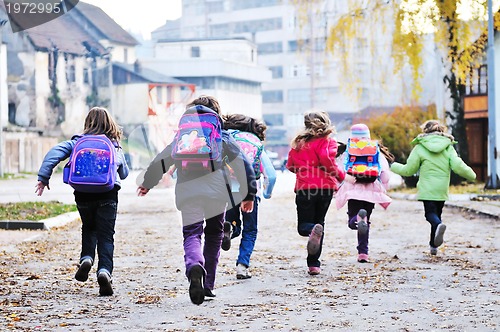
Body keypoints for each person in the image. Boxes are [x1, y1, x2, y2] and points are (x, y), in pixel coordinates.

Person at [136, 95, 257, 305]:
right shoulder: (221, 136)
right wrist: (249, 195)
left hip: (188, 191)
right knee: (214, 234)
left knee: (192, 233)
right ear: (216, 114)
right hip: (217, 193)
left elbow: (162, 159)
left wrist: (148, 182)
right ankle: (208, 284)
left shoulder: (183, 137)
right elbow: (243, 165)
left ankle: (194, 264)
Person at [35, 107, 130, 296]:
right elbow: (124, 174)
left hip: (83, 194)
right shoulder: (113, 145)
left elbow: (54, 153)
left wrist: (43, 177)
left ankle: (86, 258)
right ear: (109, 124)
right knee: (106, 235)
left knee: (89, 227)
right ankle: (104, 271)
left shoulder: (77, 142)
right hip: (108, 195)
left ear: (88, 123)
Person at [390, 120, 476, 255]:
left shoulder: (420, 147)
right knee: (437, 214)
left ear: (425, 131)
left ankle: (437, 229)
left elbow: (408, 170)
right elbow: (458, 165)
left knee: (430, 215)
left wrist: (392, 165)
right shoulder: (448, 147)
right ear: (441, 130)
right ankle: (433, 246)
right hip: (441, 188)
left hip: (427, 188)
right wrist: (472, 175)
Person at [286, 110, 345, 275]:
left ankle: (311, 229)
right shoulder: (329, 142)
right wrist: (341, 176)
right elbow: (327, 160)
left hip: (306, 189)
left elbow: (290, 165)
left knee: (304, 226)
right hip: (325, 188)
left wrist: (302, 167)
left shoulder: (299, 143)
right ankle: (314, 264)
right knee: (320, 223)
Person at [221, 114, 277, 280]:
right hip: (251, 192)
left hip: (229, 188)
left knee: (232, 221)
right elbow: (271, 175)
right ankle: (242, 266)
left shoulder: (226, 138)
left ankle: (230, 229)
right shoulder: (255, 142)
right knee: (250, 230)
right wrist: (266, 193)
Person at [335, 123, 394, 263]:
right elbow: (385, 174)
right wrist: (384, 186)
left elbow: (339, 170)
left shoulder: (348, 150)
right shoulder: (375, 149)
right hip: (371, 190)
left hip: (352, 189)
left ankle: (356, 219)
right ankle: (363, 253)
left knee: (353, 221)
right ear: (368, 136)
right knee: (366, 221)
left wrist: (336, 187)